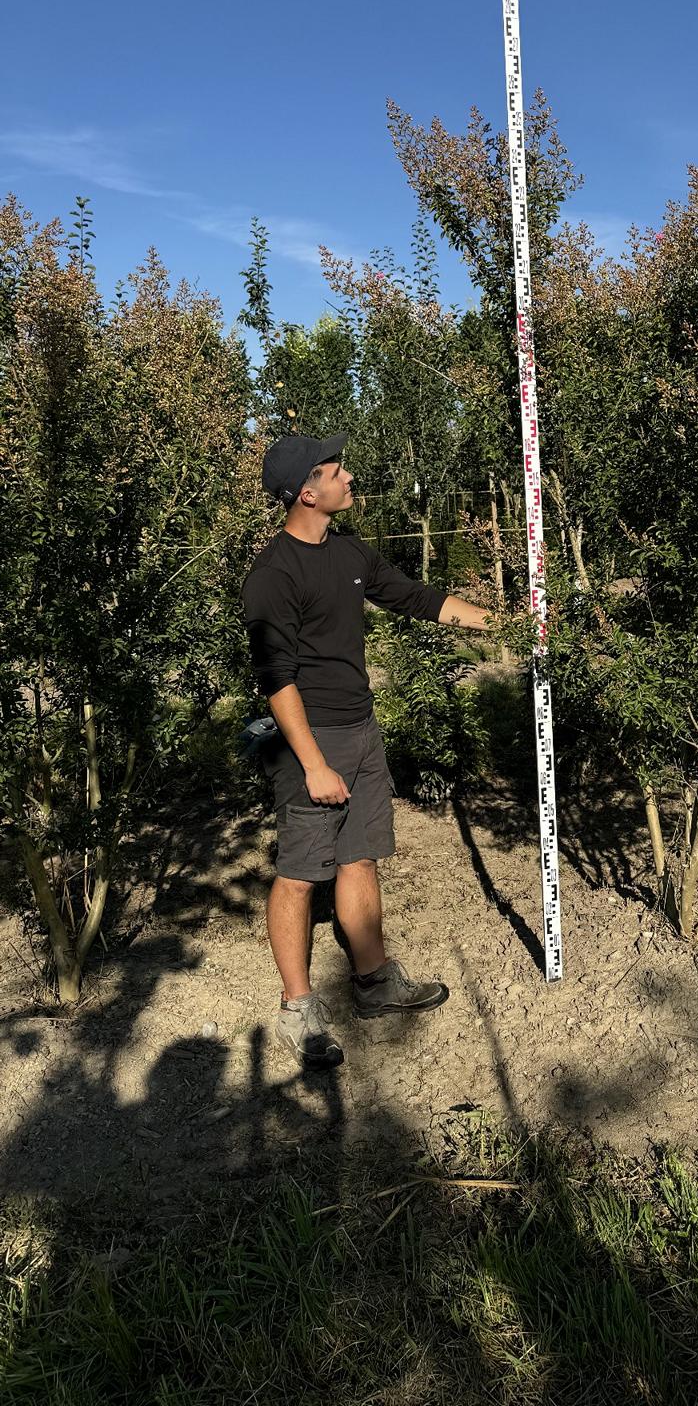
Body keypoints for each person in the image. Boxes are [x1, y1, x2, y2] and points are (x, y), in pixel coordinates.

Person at [242, 432, 494, 1071]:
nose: (349, 477)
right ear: (307, 491)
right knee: (300, 875)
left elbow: (416, 597)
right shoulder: (273, 575)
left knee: (358, 858)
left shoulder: (351, 552)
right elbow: (277, 679)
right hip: (313, 740)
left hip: (360, 728)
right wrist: (314, 763)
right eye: (336, 472)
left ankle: (374, 981)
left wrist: (501, 624)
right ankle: (298, 1008)